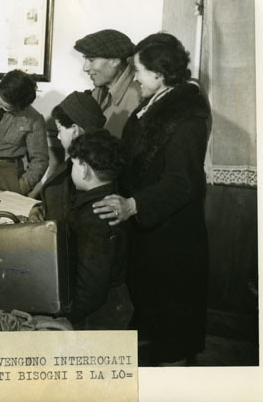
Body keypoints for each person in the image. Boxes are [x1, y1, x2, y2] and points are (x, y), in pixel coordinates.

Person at [92, 32, 211, 365]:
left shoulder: (188, 115)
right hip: (151, 231)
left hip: (173, 235)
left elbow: (181, 182)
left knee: (172, 326)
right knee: (152, 317)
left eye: (140, 71)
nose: (135, 78)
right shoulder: (156, 103)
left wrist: (133, 205)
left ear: (159, 74)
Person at [63, 129, 132, 330]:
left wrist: (65, 317)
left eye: (74, 164)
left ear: (85, 170)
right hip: (109, 303)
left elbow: (91, 291)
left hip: (98, 316)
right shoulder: (109, 200)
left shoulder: (95, 217)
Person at [29, 91, 106, 225]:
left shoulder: (82, 170)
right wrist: (40, 209)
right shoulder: (79, 159)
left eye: (59, 130)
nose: (58, 137)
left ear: (75, 130)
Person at [74, 29, 142, 137]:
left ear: (115, 61)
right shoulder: (99, 91)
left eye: (91, 60)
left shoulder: (139, 97)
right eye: (85, 60)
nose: (85, 68)